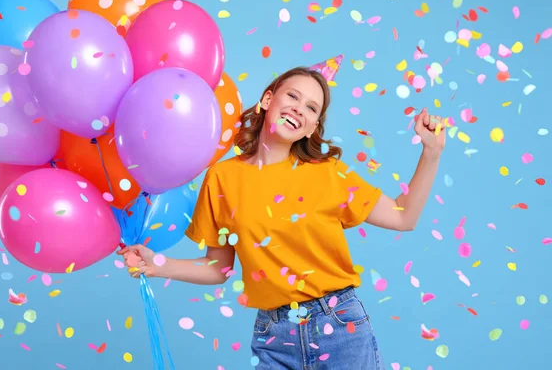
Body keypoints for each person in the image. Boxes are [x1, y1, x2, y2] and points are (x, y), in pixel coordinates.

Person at [117, 66, 446, 370]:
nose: (299, 108)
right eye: (293, 96)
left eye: (311, 108)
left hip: (340, 326)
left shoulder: (328, 175)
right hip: (274, 335)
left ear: (312, 127)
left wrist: (431, 153)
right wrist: (156, 265)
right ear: (268, 99)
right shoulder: (222, 178)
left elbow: (404, 217)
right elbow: (219, 268)